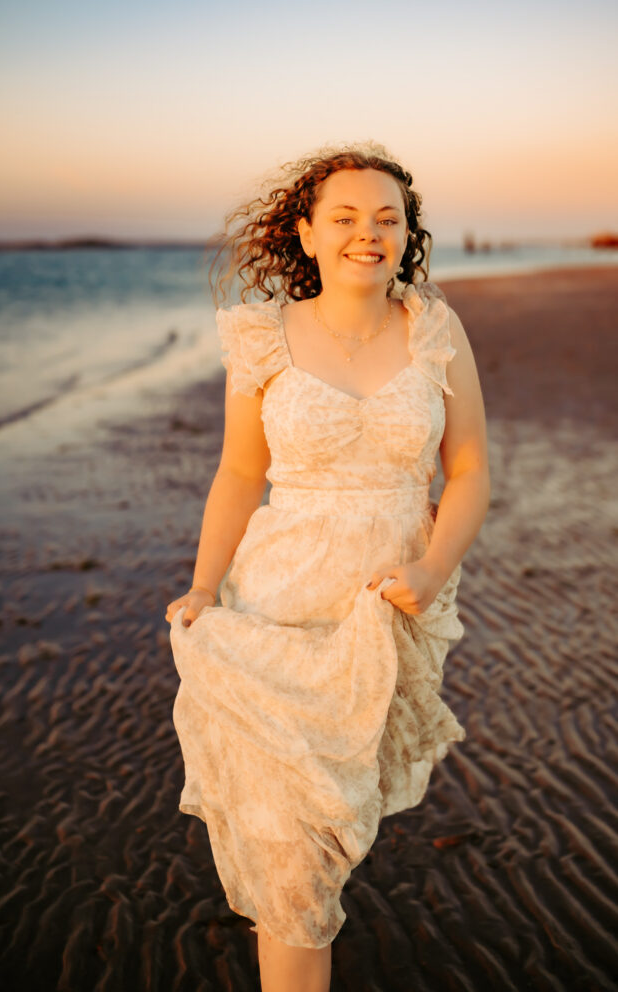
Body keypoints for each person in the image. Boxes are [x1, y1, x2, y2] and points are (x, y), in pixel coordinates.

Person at [165, 141, 490, 992]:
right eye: (343, 217)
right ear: (305, 234)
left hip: (384, 618)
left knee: (327, 841)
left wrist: (430, 572)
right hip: (273, 618)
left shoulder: (433, 328)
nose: (367, 233)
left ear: (407, 233)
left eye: (387, 217)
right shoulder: (261, 335)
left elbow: (469, 470)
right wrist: (204, 587)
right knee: (292, 872)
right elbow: (239, 474)